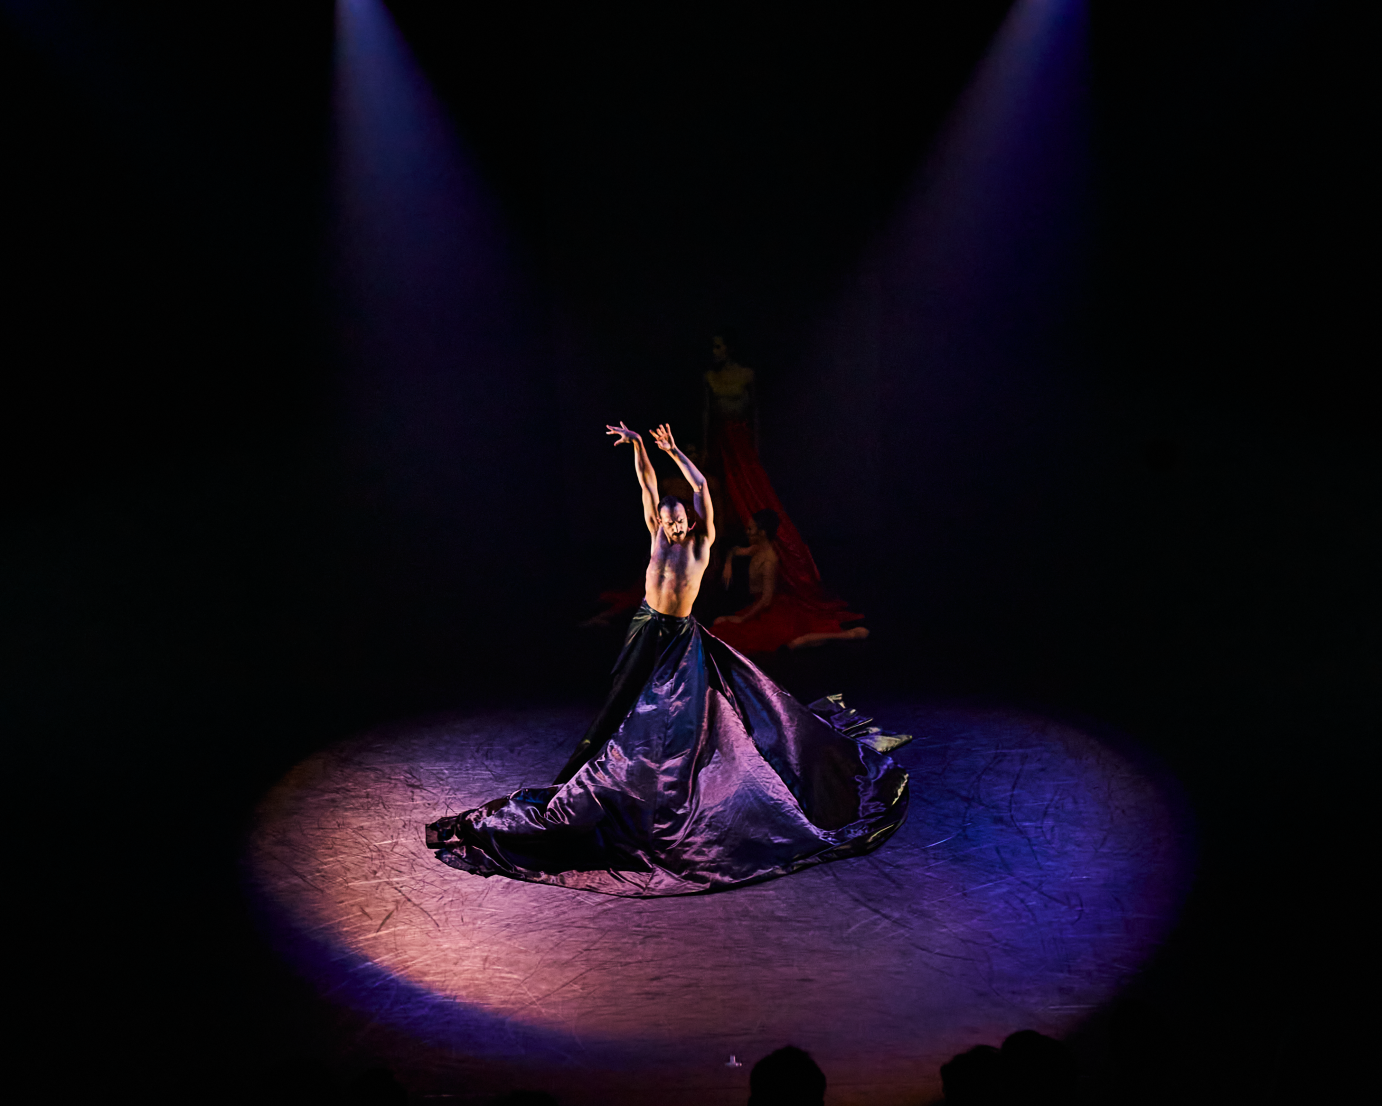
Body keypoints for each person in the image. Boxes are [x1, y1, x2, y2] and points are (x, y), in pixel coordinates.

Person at [425, 421, 912, 897]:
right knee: (623, 703)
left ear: (692, 522)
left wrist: (677, 452)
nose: (674, 524)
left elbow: (700, 487)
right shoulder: (657, 534)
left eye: (680, 519)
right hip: (646, 627)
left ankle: (674, 777)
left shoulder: (701, 543)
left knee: (677, 712)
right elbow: (646, 483)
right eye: (668, 518)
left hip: (679, 633)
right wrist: (639, 446)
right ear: (659, 520)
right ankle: (606, 767)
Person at [712, 508, 869, 653]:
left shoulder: (769, 560)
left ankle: (847, 635)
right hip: (758, 607)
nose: (747, 532)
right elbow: (734, 550)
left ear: (762, 533)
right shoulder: (756, 548)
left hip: (769, 609)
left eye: (750, 529)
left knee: (794, 642)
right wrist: (728, 564)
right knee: (719, 623)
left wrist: (742, 619)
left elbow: (766, 600)